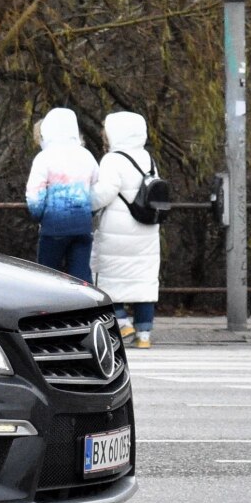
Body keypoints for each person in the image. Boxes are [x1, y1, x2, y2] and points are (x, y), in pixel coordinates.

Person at [90, 110, 162, 346]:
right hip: (146, 228)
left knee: (110, 279)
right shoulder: (148, 158)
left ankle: (122, 324)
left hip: (116, 230)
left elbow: (105, 193)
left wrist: (85, 200)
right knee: (144, 282)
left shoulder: (112, 160)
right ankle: (144, 335)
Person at [23, 106, 98, 283]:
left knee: (47, 277)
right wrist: (88, 211)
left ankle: (48, 310)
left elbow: (34, 196)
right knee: (81, 278)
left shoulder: (44, 157)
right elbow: (96, 189)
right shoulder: (87, 156)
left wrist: (40, 216)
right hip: (82, 226)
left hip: (54, 226)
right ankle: (85, 309)